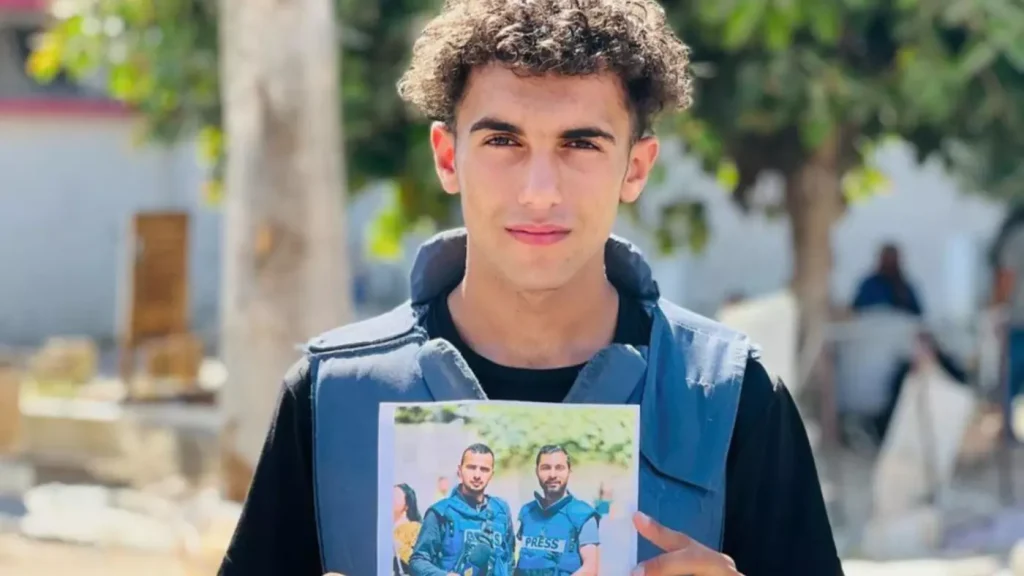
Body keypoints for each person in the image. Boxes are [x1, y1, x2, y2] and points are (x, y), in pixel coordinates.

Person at [218, 0, 841, 575]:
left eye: (580, 143)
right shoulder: (332, 400)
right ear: (447, 157)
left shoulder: (731, 398)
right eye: (503, 140)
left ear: (637, 166)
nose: (539, 190)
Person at [409, 444, 515, 576]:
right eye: (471, 467)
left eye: (484, 469)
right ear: (460, 470)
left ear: (491, 474)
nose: (477, 475)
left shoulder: (501, 511)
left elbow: (509, 560)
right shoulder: (440, 512)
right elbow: (417, 561)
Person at [516, 446, 600, 575]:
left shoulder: (583, 515)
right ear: (537, 471)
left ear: (569, 471)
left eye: (559, 468)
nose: (552, 475)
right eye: (546, 468)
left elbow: (590, 570)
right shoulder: (527, 513)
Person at [852, 243, 924, 317]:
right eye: (887, 258)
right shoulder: (868, 285)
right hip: (871, 325)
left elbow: (917, 315)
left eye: (892, 259)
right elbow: (855, 310)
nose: (889, 262)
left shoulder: (905, 288)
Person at [393, 484, 423, 576]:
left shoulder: (415, 528)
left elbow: (419, 561)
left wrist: (397, 545)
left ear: (407, 505)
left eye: (396, 496)